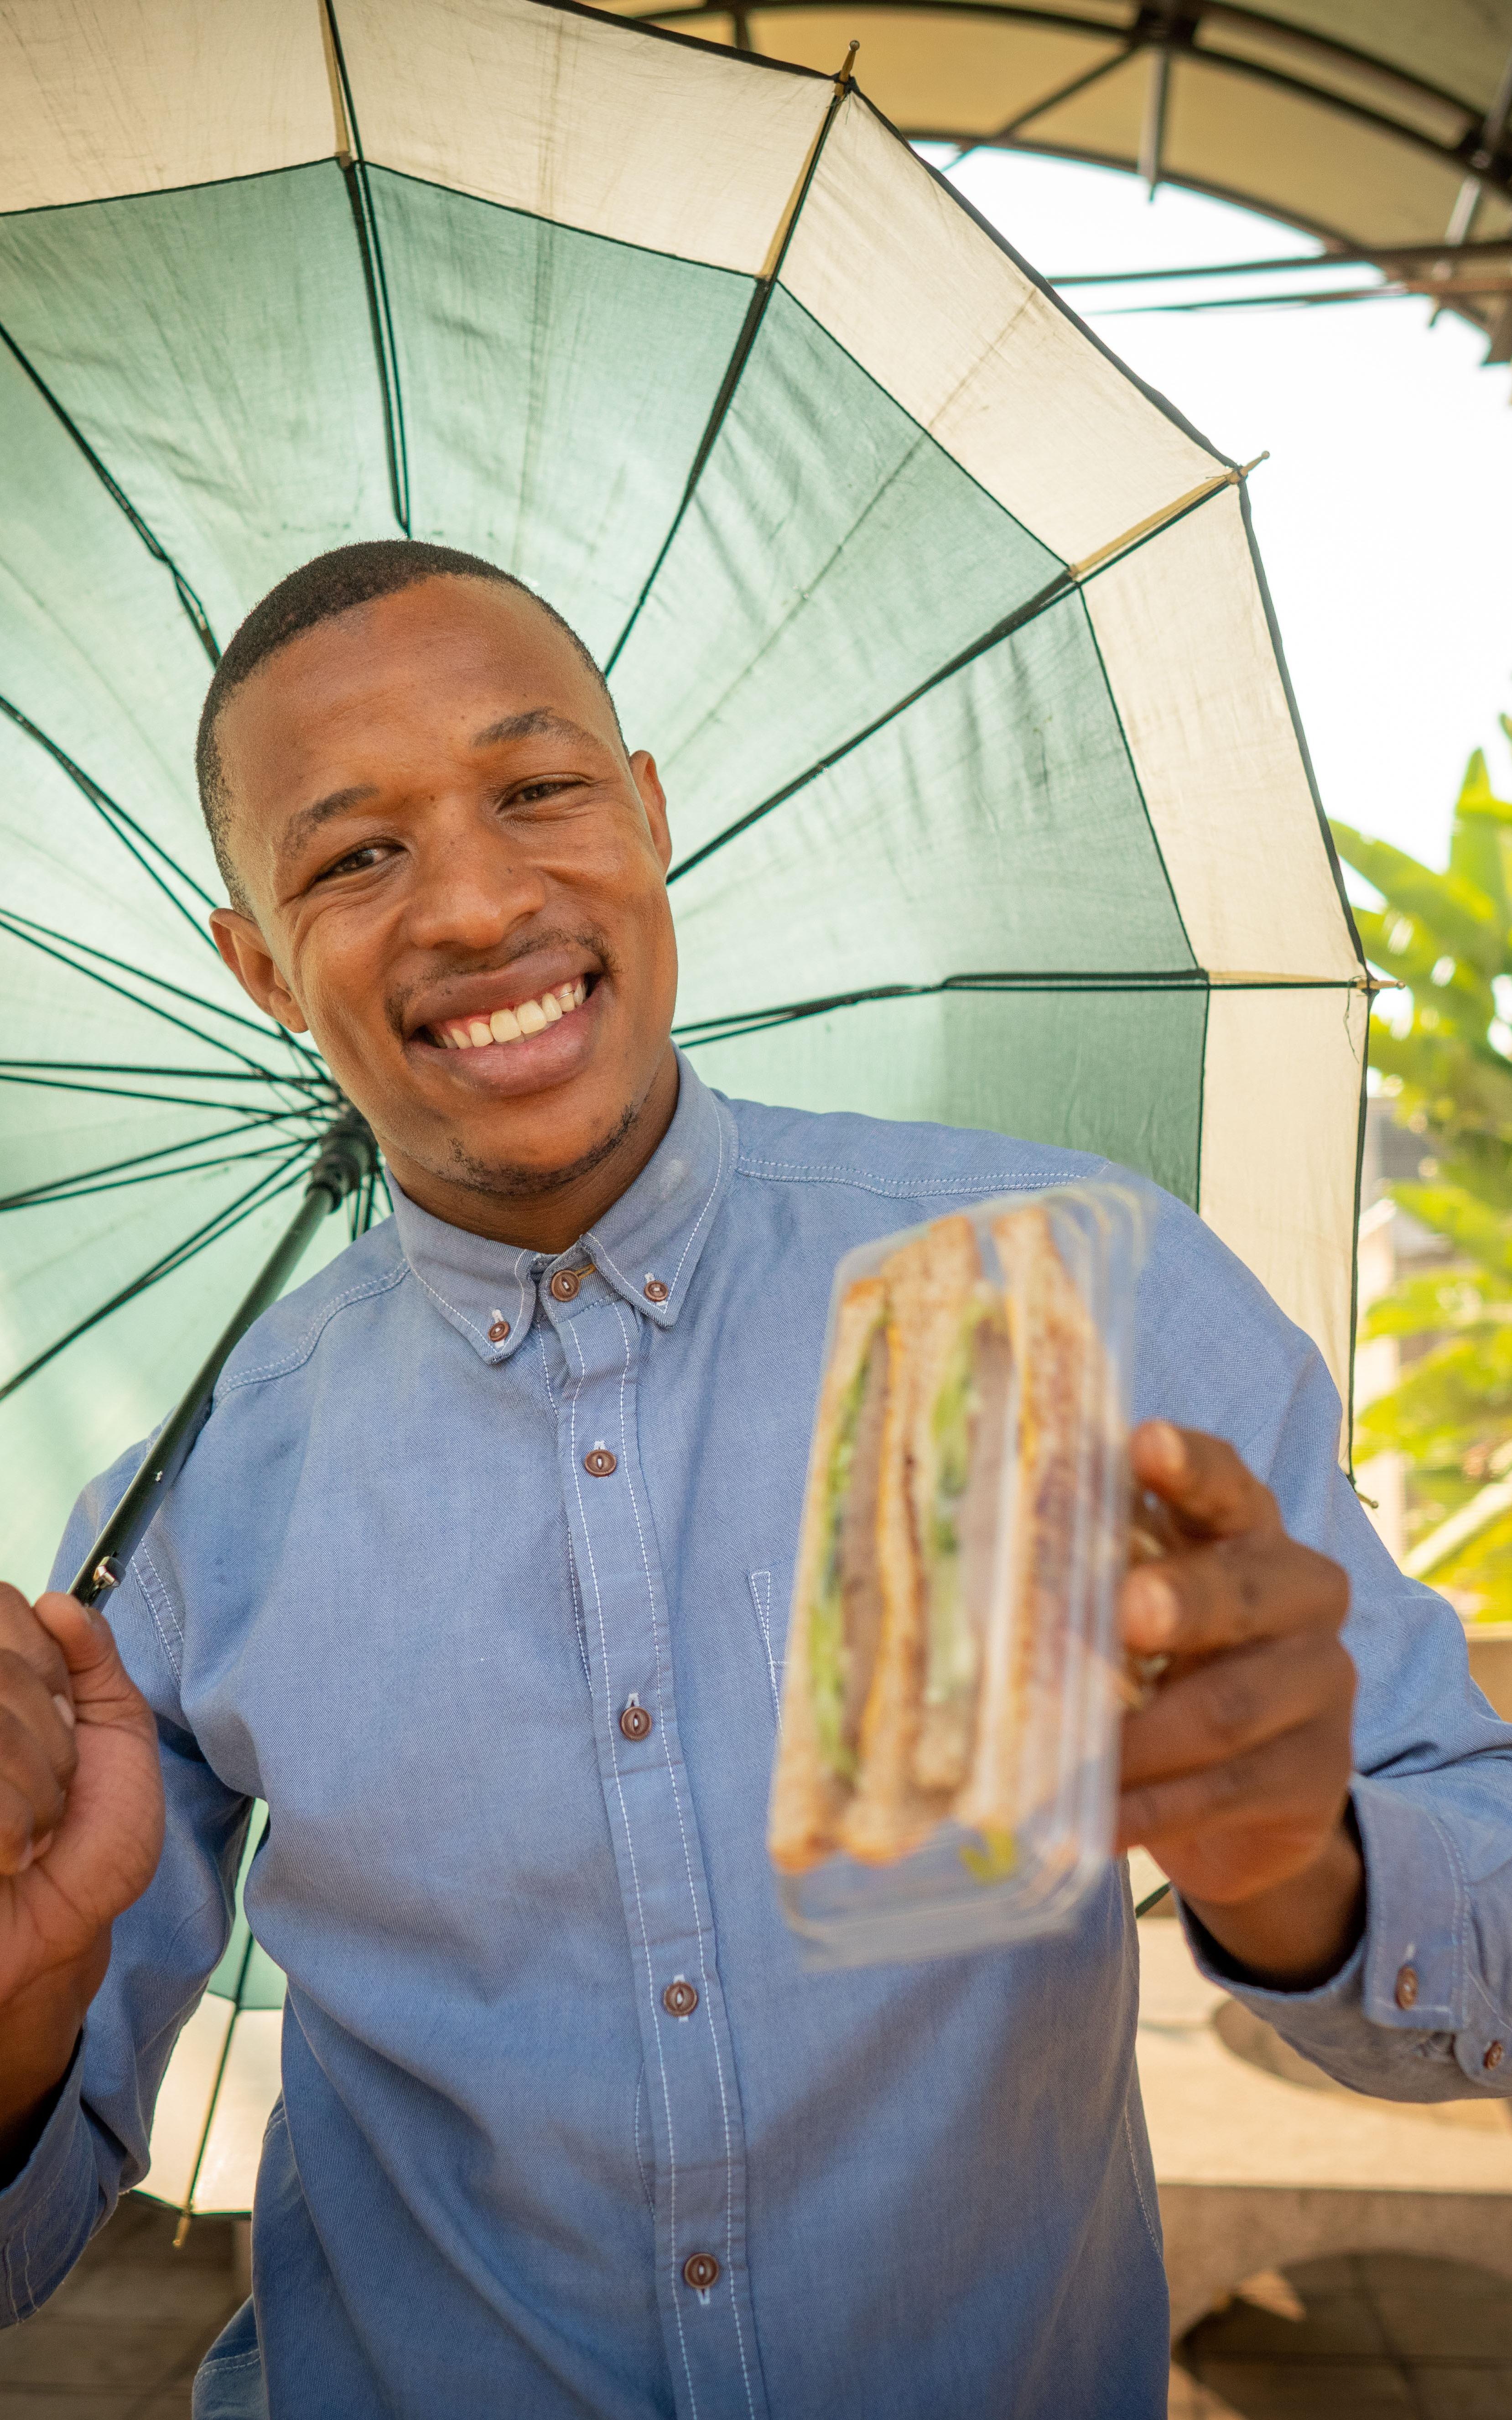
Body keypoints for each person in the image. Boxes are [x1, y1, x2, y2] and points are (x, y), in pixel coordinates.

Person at [0, 541, 1506, 2420]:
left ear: (645, 816)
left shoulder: (1063, 1294)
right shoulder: (185, 1515)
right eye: (351, 856)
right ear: (261, 965)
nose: (474, 900)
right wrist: (14, 2001)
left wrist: (1309, 1877)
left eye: (536, 789)